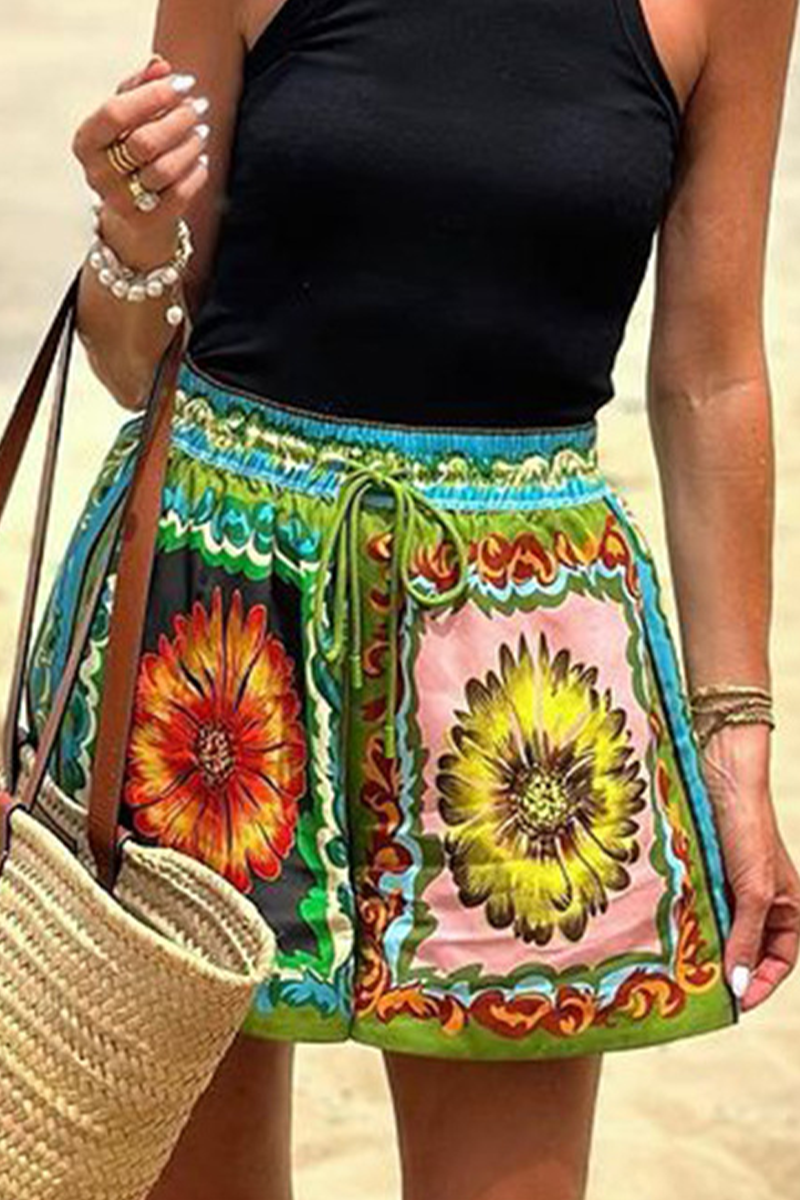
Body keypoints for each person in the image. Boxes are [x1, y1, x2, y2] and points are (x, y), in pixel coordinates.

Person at [27, 0, 800, 1196]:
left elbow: (709, 373)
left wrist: (735, 739)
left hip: (525, 673)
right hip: (215, 631)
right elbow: (136, 362)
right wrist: (132, 231)